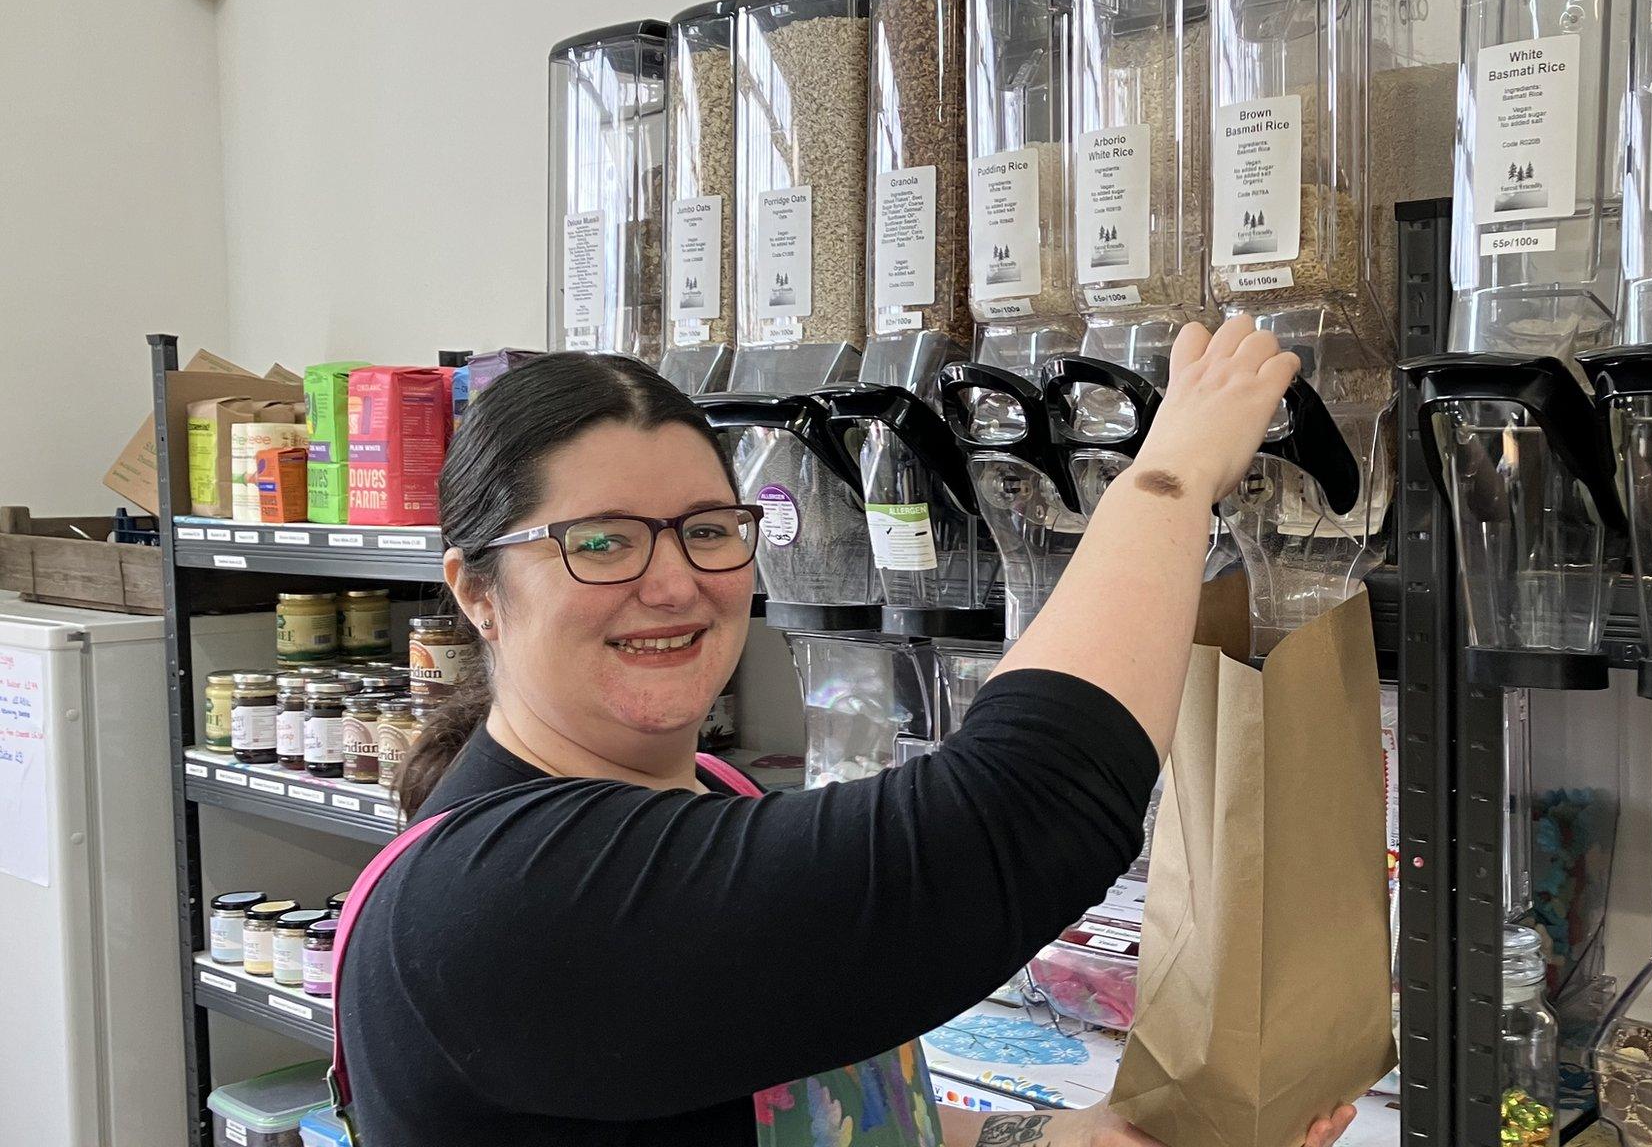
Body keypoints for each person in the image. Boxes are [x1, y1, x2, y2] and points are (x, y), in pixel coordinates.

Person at [340, 316, 1361, 1147]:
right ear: (476, 591)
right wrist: (1170, 475)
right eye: (599, 541)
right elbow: (1017, 817)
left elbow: (804, 1113)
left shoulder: (707, 794)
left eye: (705, 530)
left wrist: (1045, 1144)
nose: (672, 583)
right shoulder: (491, 899)